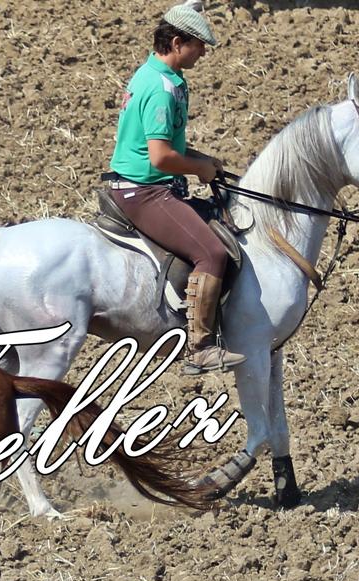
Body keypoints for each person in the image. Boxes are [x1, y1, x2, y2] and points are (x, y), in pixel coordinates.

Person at [107, 0, 245, 374]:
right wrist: (198, 168)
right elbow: (160, 157)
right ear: (177, 42)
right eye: (199, 45)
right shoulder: (161, 88)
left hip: (148, 185)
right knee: (212, 253)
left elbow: (170, 146)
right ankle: (200, 348)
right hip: (144, 191)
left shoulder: (160, 76)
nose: (203, 52)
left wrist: (204, 159)